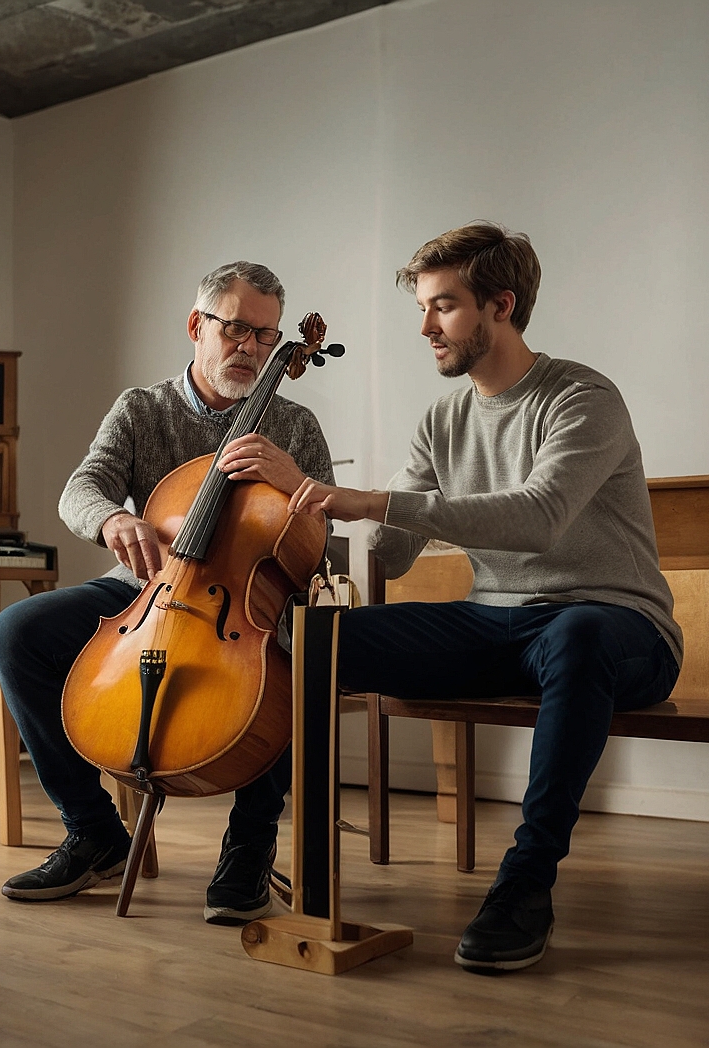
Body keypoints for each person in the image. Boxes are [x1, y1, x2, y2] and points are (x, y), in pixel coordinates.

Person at [288, 222, 682, 972]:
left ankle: (525, 883)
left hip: (618, 629)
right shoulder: (442, 419)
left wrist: (374, 502)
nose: (427, 327)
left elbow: (538, 518)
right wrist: (301, 506)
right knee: (313, 636)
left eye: (445, 305)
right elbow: (396, 549)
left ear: (501, 305)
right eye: (423, 308)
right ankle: (278, 859)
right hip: (499, 625)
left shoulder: (582, 396)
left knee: (577, 636)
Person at [0, 261, 334, 924]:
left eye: (267, 337)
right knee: (19, 631)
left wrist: (291, 481)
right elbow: (80, 490)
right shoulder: (141, 409)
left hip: (248, 603)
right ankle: (93, 832)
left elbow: (320, 541)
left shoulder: (294, 426)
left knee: (286, 665)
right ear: (196, 326)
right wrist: (114, 518)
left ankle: (249, 847)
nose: (252, 349)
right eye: (235, 329)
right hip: (144, 592)